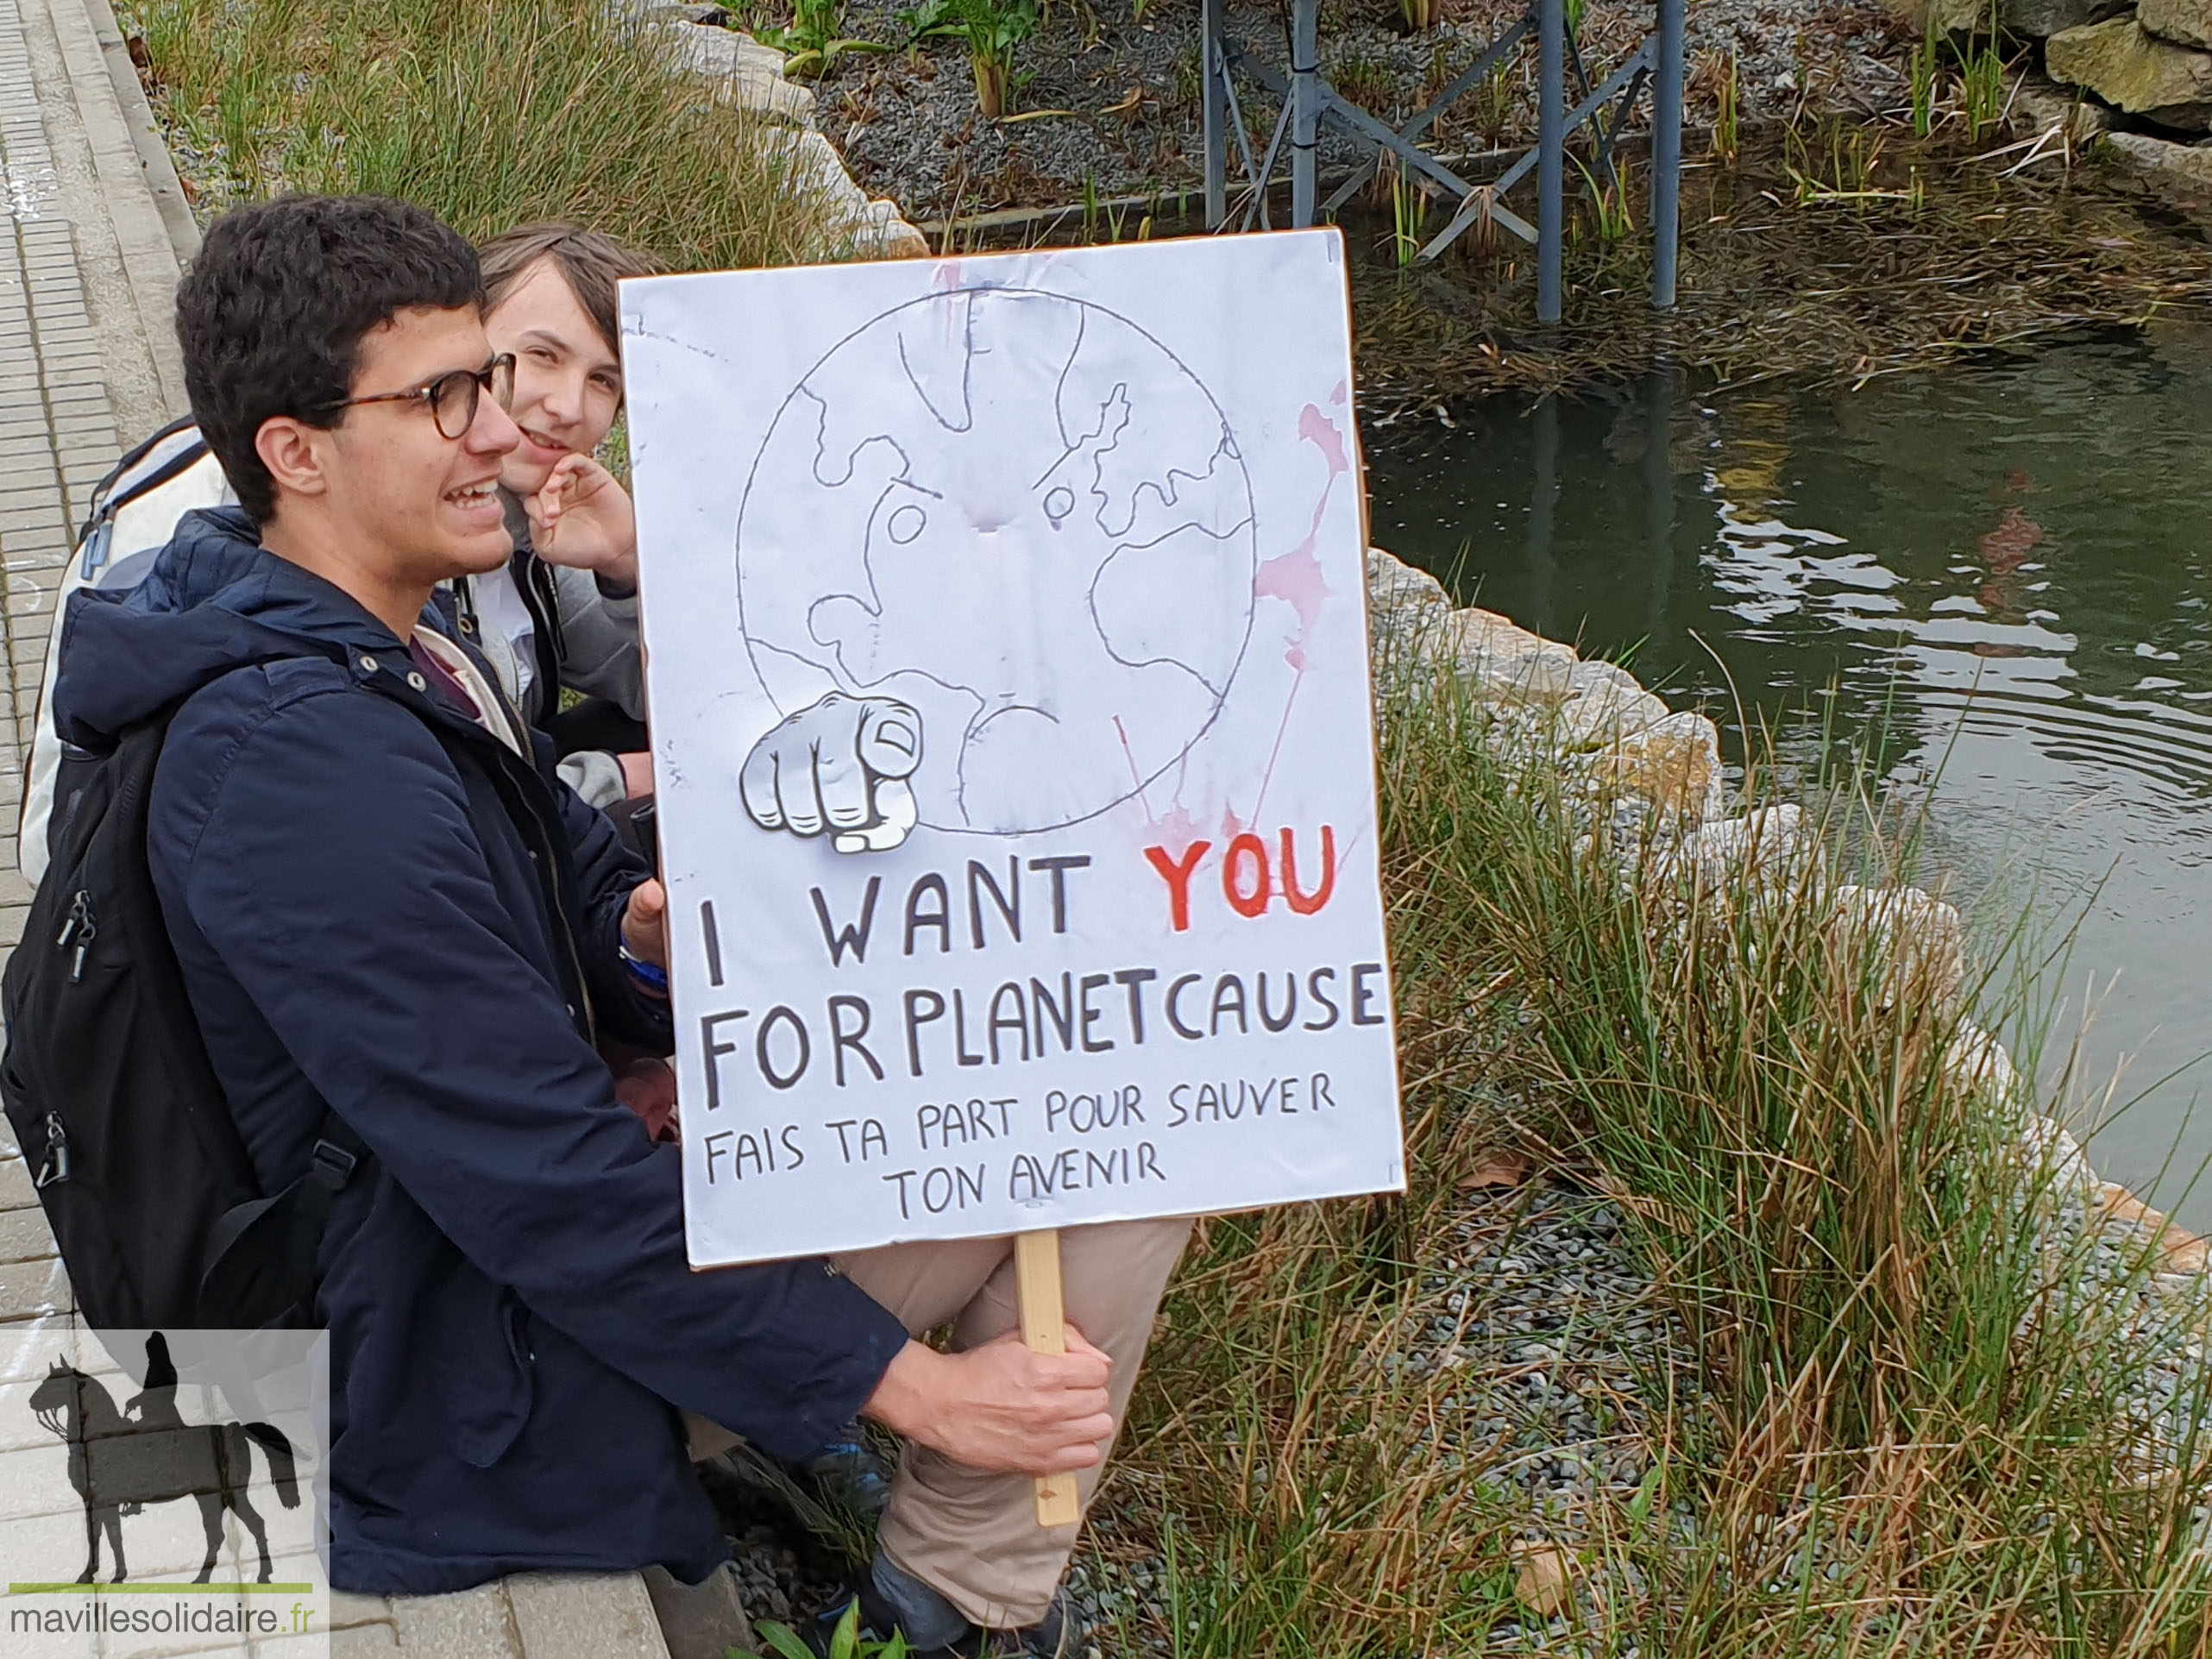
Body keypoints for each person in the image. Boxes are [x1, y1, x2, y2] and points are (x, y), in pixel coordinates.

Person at [52, 194, 1185, 1656]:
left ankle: (948, 1579)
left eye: (489, 376)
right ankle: (950, 1602)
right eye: (444, 394)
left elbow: (572, 866)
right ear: (297, 449)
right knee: (1097, 1138)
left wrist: (643, 939)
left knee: (1052, 1108)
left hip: (436, 1265)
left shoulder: (368, 636)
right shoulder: (294, 768)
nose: (500, 426)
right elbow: (544, 1183)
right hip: (427, 1373)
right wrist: (916, 1386)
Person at [464, 223, 657, 814]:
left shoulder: (531, 531)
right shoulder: (404, 524)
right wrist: (613, 780)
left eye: (603, 381)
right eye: (543, 356)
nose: (568, 407)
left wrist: (625, 564)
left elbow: (699, 699)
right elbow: (444, 809)